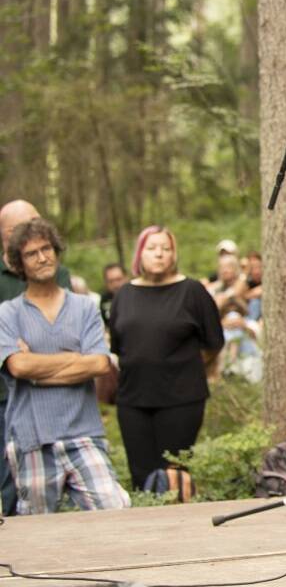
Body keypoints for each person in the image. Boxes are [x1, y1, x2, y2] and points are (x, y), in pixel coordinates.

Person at [0, 219, 130, 514]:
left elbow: (98, 363)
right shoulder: (8, 313)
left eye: (47, 249)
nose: (42, 257)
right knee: (35, 527)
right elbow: (18, 367)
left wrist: (38, 372)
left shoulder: (83, 307)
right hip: (31, 437)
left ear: (57, 251)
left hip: (83, 432)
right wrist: (74, 357)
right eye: (32, 253)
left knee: (114, 507)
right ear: (19, 263)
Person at [109, 226, 224, 489]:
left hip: (181, 399)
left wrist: (184, 367)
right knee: (142, 479)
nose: (159, 254)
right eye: (151, 248)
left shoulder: (192, 291)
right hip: (133, 401)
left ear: (174, 254)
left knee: (174, 476)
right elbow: (118, 346)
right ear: (140, 254)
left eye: (166, 248)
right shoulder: (124, 295)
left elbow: (213, 343)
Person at [0, 199, 74, 516]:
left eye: (37, 221)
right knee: (9, 483)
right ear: (6, 235)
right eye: (21, 227)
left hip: (55, 394)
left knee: (51, 483)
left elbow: (70, 336)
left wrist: (35, 355)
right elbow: (13, 356)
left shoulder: (60, 272)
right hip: (5, 398)